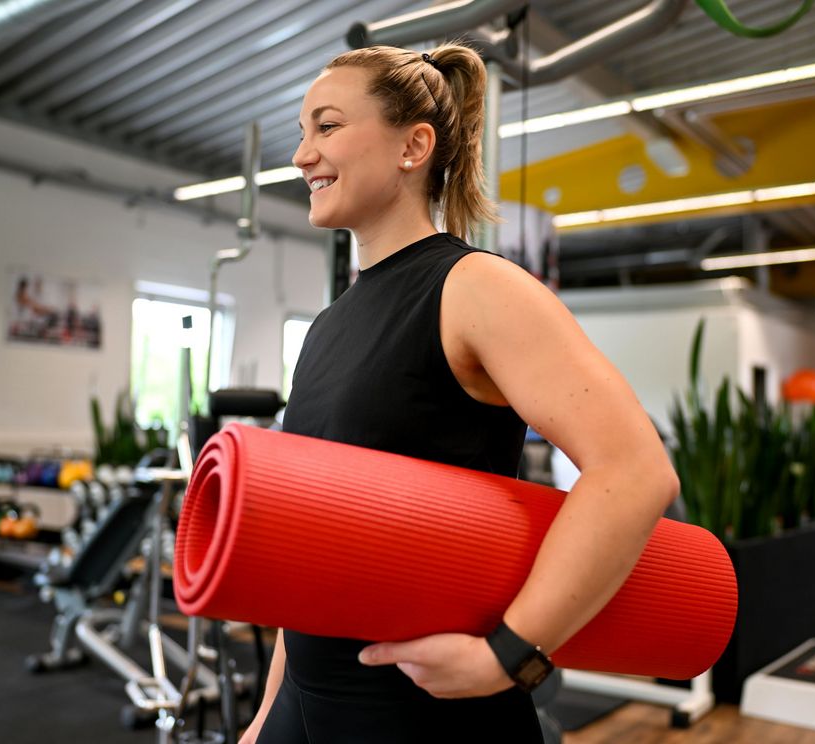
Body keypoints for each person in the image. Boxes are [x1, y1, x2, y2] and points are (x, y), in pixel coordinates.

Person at [242, 43, 679, 744]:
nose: (301, 155)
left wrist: (511, 655)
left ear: (413, 147)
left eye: (327, 127)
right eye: (301, 132)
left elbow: (634, 471)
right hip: (308, 706)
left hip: (428, 718)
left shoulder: (475, 288)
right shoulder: (327, 326)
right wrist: (268, 714)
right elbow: (319, 544)